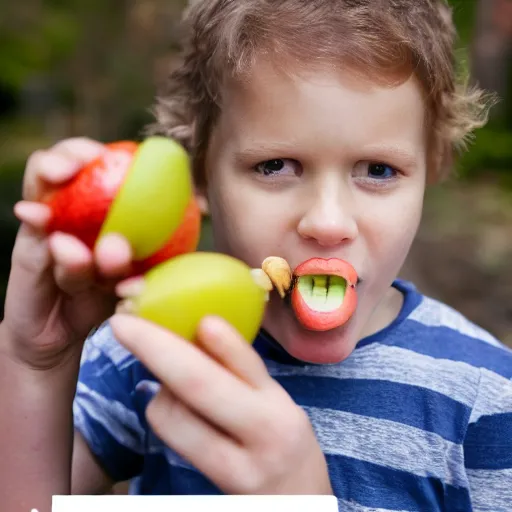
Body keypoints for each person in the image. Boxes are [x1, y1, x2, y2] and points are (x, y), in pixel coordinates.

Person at [1, 1, 511, 511]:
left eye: (377, 170)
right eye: (275, 166)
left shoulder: (486, 403)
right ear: (199, 175)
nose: (327, 223)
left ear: (433, 169)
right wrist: (36, 364)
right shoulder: (148, 348)